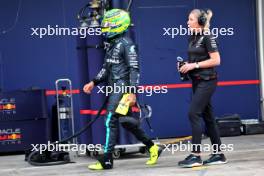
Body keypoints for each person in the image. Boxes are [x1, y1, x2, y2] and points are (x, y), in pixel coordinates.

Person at [83, 9, 162, 170]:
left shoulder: (127, 45)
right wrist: (93, 82)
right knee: (125, 122)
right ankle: (152, 147)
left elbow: (134, 69)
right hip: (115, 89)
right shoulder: (112, 45)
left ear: (119, 25)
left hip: (123, 89)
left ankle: (106, 160)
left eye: (109, 25)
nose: (105, 27)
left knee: (110, 121)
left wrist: (132, 91)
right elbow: (106, 68)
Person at [177, 9, 227, 168]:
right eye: (188, 19)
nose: (187, 22)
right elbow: (197, 58)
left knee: (194, 113)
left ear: (199, 21)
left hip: (208, 81)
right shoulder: (193, 37)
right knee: (208, 118)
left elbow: (216, 60)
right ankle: (219, 154)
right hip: (197, 81)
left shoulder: (208, 37)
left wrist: (195, 65)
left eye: (191, 19)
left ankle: (196, 155)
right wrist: (186, 66)